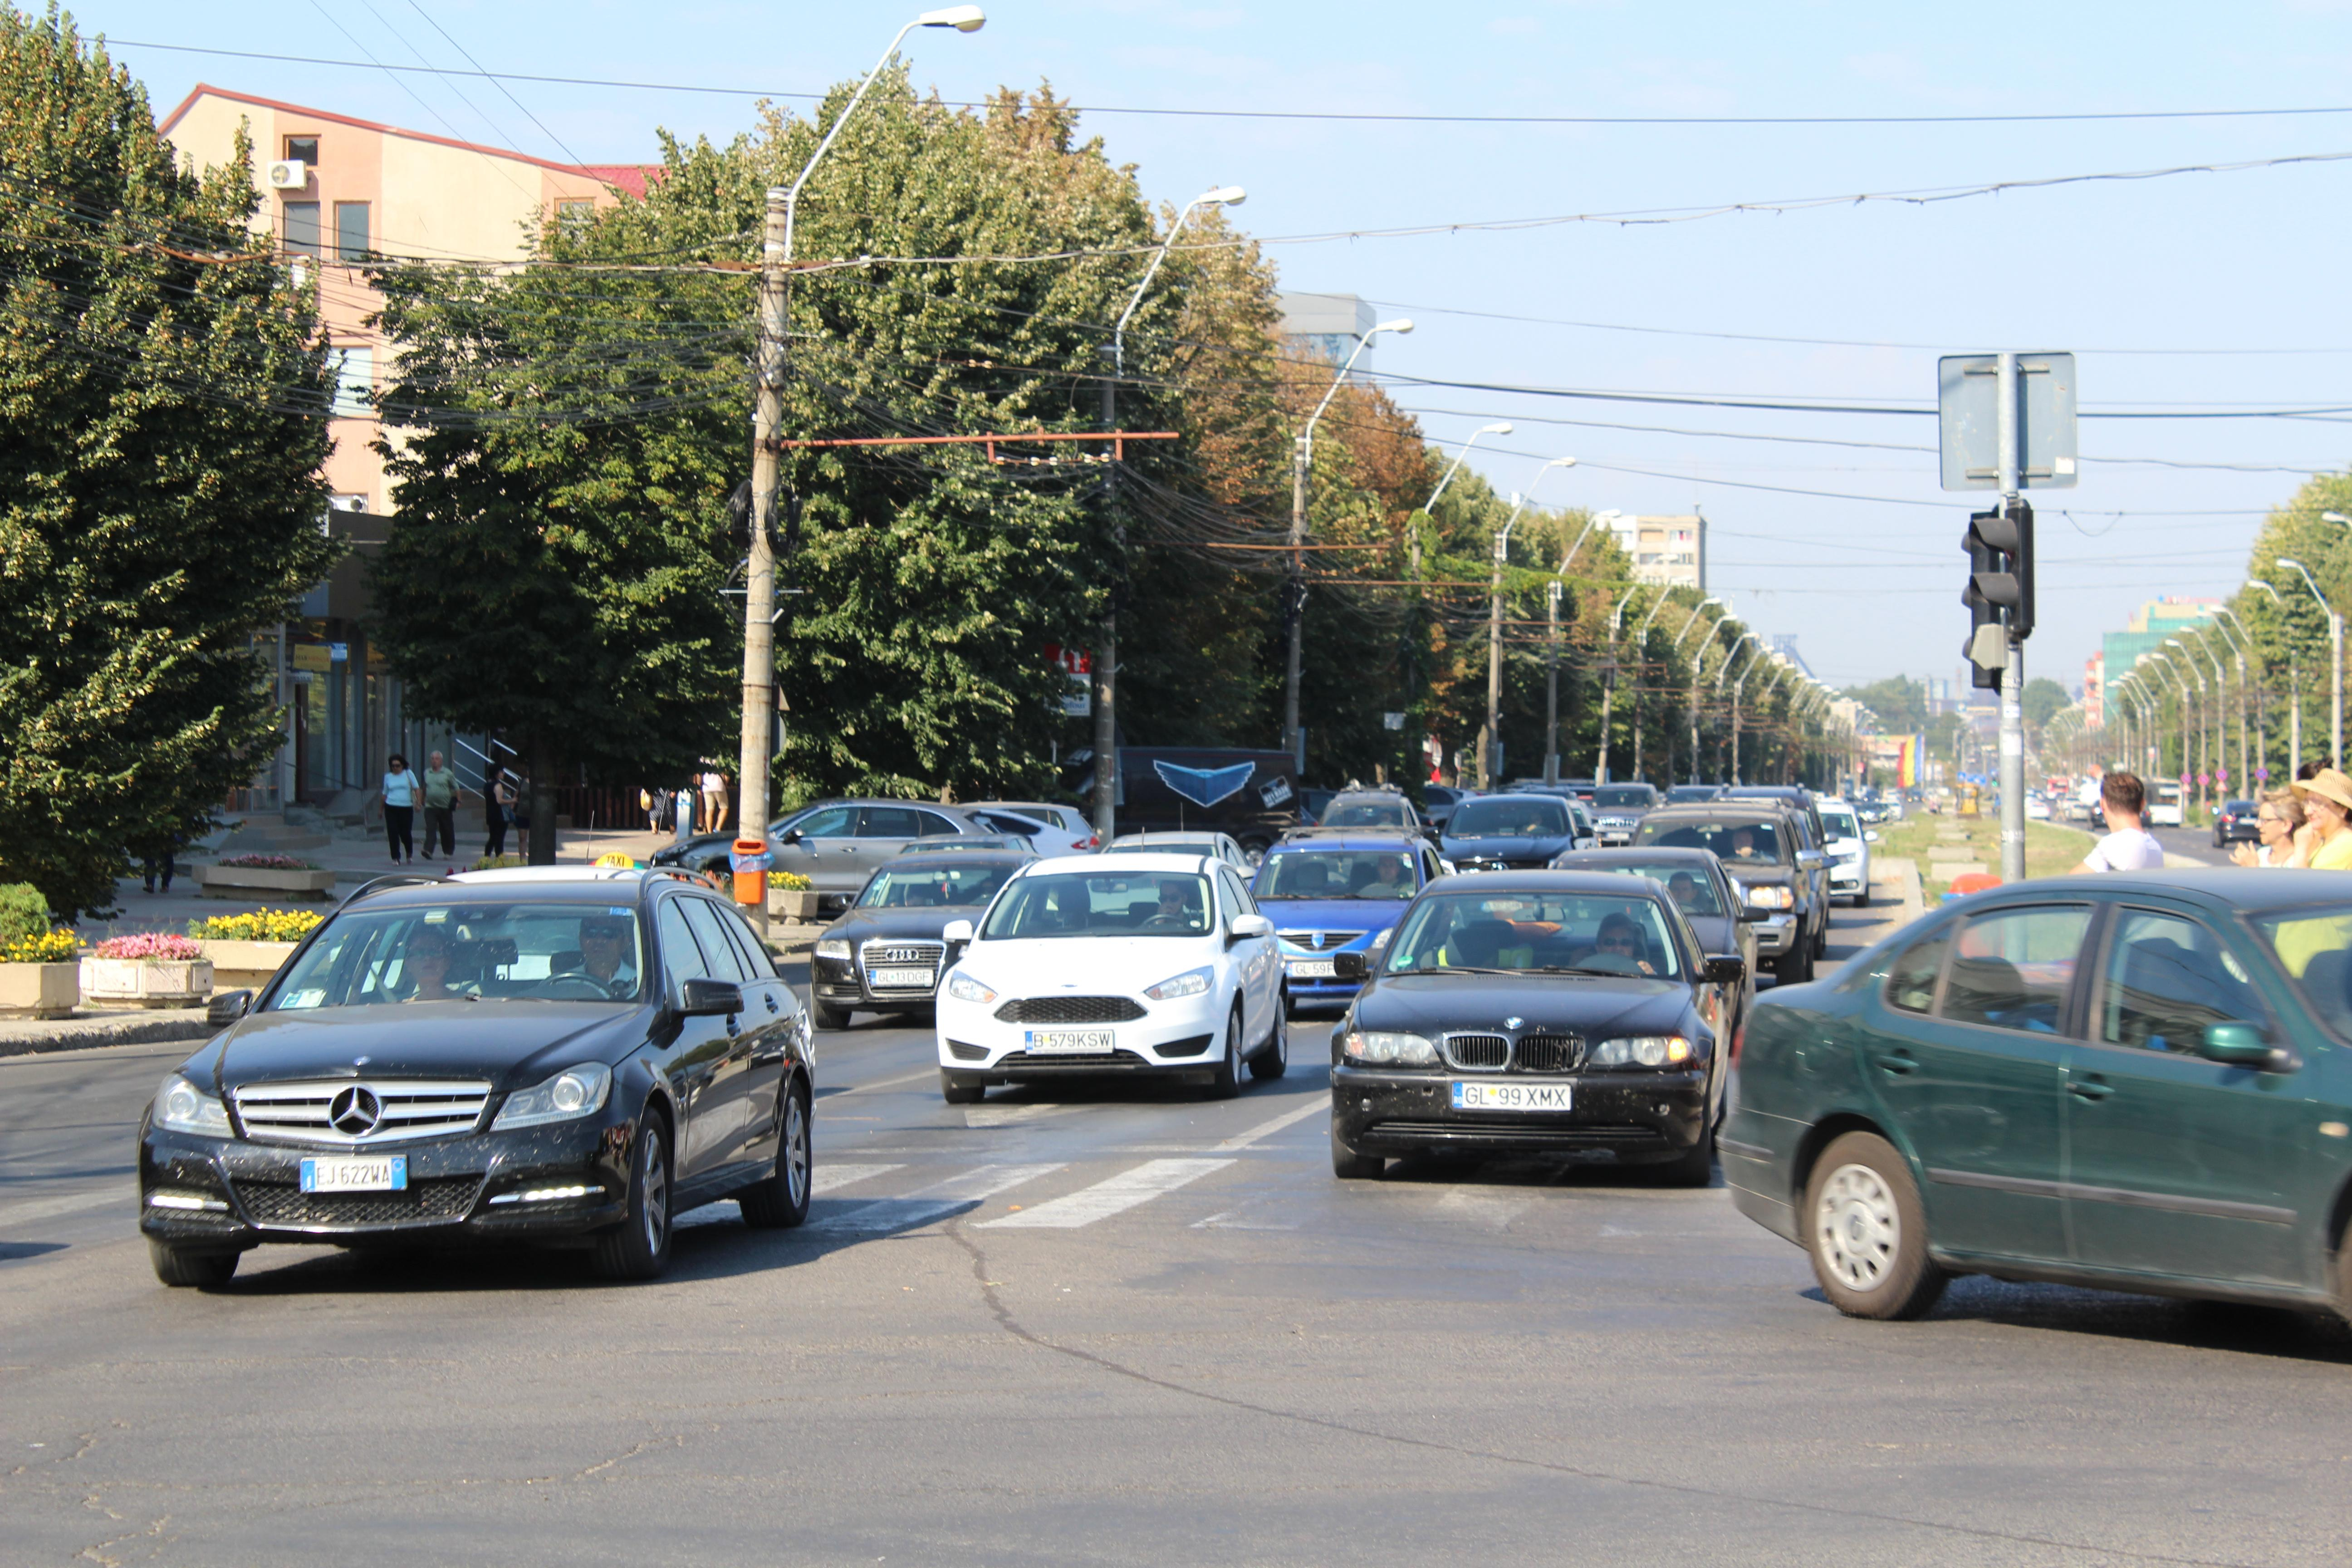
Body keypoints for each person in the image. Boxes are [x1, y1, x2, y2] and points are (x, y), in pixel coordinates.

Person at [2076, 771, 2164, 873]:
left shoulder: (2114, 844)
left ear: (2103, 804)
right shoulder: (2155, 848)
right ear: (2143, 804)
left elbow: (2070, 883)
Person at [2292, 768, 2352, 870]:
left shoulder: (2346, 844)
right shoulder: (2323, 841)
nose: (2308, 812)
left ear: (2342, 810)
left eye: (2318, 804)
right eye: (2307, 804)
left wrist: (2301, 849)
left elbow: (2303, 885)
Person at [2231, 790, 2308, 867]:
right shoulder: (2261, 855)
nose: (2257, 825)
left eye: (2265, 820)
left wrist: (2253, 869)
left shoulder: (2299, 861)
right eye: (2259, 819)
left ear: (2286, 825)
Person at [420, 750, 463, 862]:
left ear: (441, 761)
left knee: (446, 830)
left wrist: (459, 801)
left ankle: (448, 851)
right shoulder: (427, 773)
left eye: (437, 759)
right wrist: (421, 800)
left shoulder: (447, 773)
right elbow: (424, 788)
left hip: (445, 807)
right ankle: (428, 850)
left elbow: (456, 788)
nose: (434, 761)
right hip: (430, 806)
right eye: (433, 759)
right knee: (430, 828)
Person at [382, 753, 421, 864]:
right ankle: (395, 857)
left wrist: (419, 802)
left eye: (398, 766)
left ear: (403, 765)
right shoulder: (388, 777)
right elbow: (385, 793)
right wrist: (381, 810)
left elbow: (417, 789)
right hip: (391, 807)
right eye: (393, 766)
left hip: (406, 808)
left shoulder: (408, 774)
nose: (395, 768)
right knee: (393, 832)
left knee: (405, 832)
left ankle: (409, 852)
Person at [401, 926, 458, 1002]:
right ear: (408, 964)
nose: (427, 958)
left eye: (435, 952)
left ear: (447, 962)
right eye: (419, 953)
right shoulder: (399, 1011)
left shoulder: (470, 1005)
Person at [1592, 913, 1658, 976]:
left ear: (1633, 948)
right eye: (1610, 942)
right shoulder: (1584, 975)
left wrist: (1651, 976)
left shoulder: (1642, 974)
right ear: (1598, 949)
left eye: (1625, 942)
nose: (1618, 948)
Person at [484, 763, 516, 858]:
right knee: (500, 840)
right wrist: (513, 800)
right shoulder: (498, 785)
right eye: (502, 772)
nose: (503, 774)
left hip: (491, 815)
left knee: (493, 838)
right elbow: (500, 800)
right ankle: (500, 859)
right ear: (497, 773)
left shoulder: (487, 785)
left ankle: (487, 857)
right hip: (500, 815)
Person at [702, 766, 729, 835]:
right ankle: (718, 828)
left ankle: (710, 832)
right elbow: (727, 775)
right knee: (724, 808)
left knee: (709, 810)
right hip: (719, 785)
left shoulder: (703, 758)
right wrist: (726, 783)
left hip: (707, 786)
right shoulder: (720, 759)